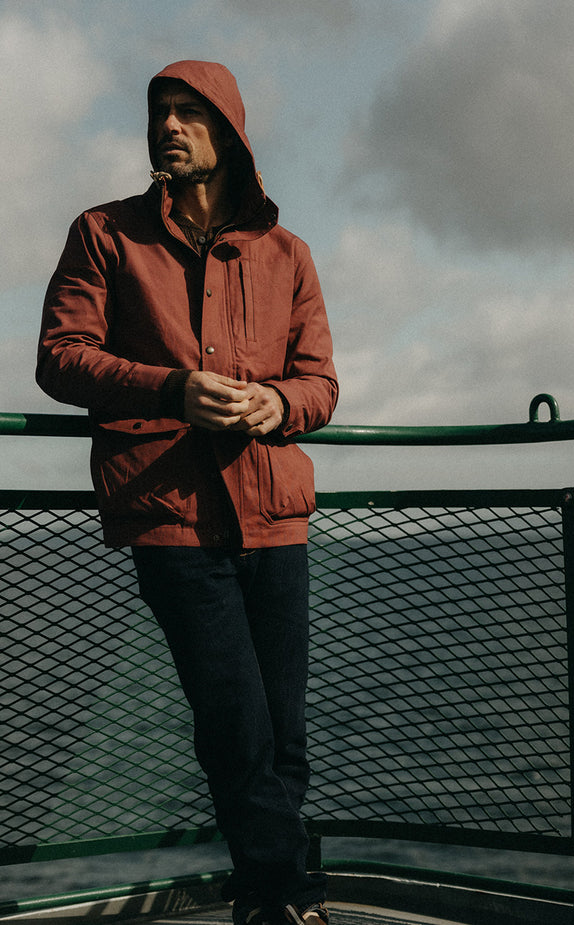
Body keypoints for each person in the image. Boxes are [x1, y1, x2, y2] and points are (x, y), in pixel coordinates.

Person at [36, 60, 338, 925]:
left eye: (188, 114)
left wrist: (277, 402)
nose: (167, 126)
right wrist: (173, 389)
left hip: (276, 518)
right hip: (171, 518)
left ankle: (260, 897)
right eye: (159, 113)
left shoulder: (290, 255)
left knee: (282, 735)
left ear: (230, 132)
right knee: (236, 725)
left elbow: (320, 383)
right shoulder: (104, 233)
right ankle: (290, 900)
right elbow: (61, 357)